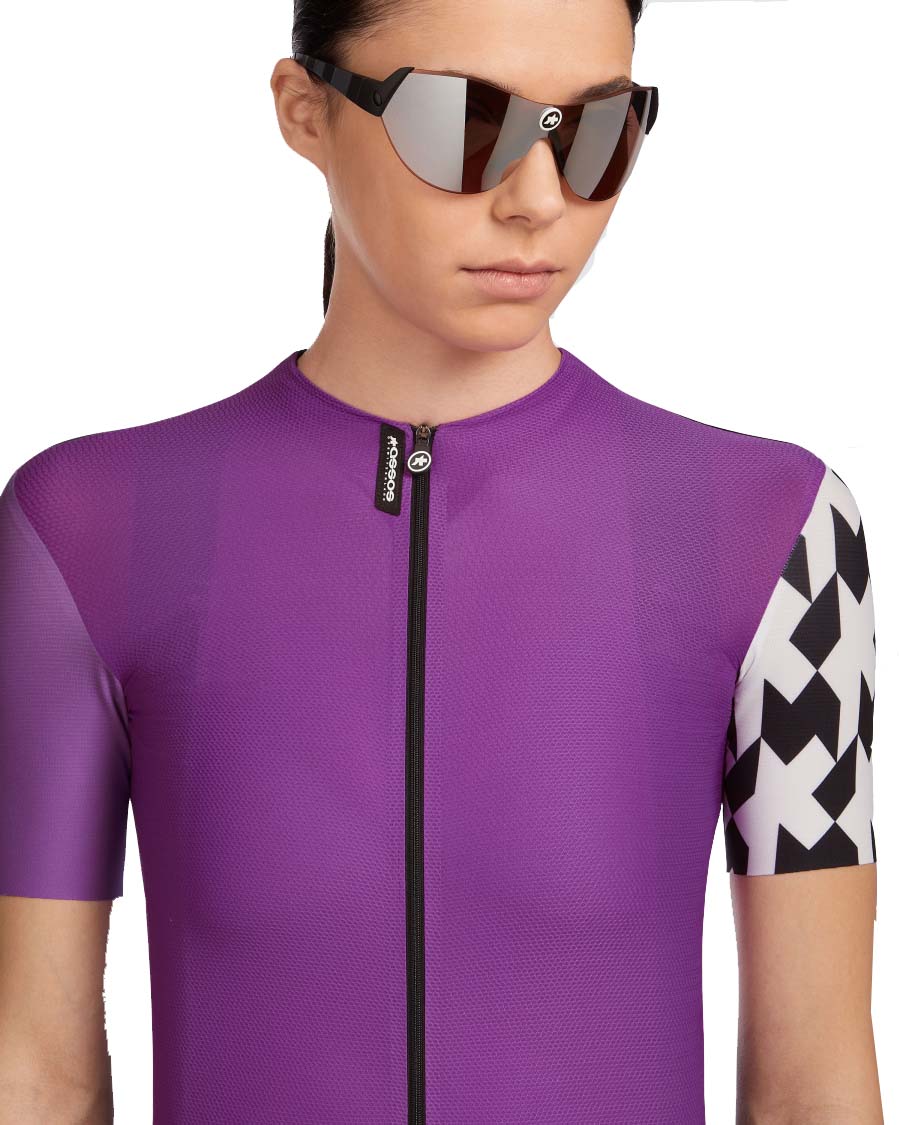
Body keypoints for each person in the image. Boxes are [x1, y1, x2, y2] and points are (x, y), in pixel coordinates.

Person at [0, 0, 883, 1121]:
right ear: (304, 111)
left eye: (594, 133)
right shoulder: (86, 528)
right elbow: (31, 1073)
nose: (537, 197)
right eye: (464, 124)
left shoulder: (775, 530)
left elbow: (815, 1087)